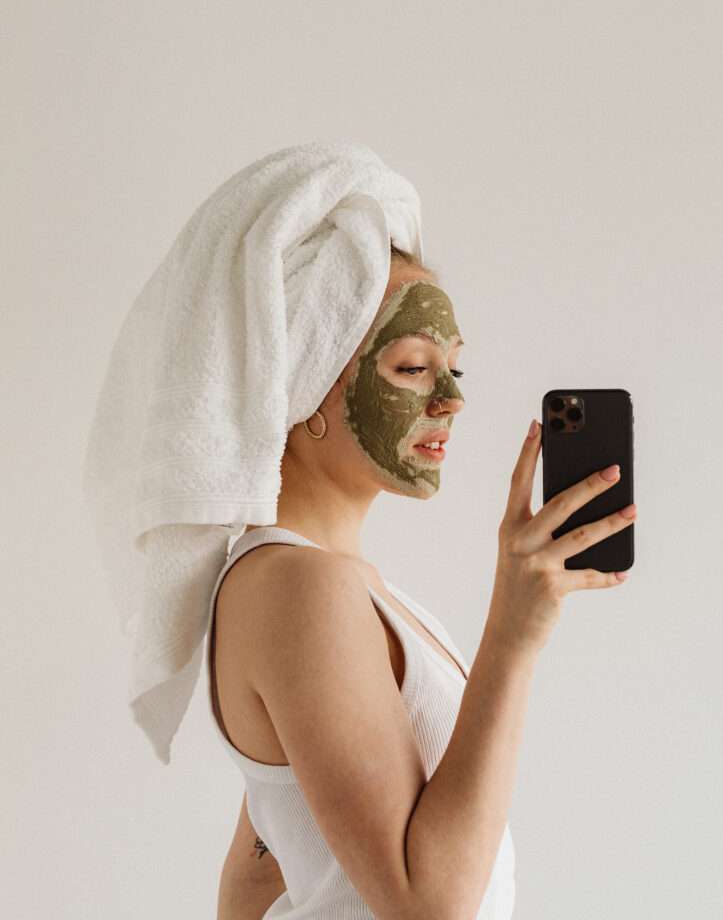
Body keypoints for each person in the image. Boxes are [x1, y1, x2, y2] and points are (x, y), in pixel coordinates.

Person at [209, 243, 635, 919]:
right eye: (413, 367)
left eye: (454, 367)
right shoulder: (302, 588)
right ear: (303, 381)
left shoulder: (321, 585)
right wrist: (513, 634)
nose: (453, 399)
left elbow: (258, 869)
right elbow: (429, 908)